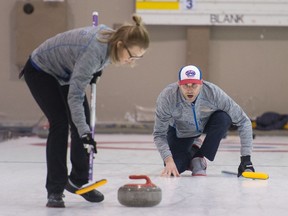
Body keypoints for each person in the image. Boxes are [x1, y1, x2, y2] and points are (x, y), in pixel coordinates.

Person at [20, 14, 149, 208]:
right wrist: (84, 133)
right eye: (132, 56)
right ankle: (55, 190)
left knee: (82, 122)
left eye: (138, 58)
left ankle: (77, 181)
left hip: (65, 73)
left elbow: (89, 68)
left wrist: (97, 70)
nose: (132, 61)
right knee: (61, 123)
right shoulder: (94, 52)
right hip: (41, 70)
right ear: (121, 45)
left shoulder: (112, 44)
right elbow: (75, 96)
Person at [153, 65, 255, 178]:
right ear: (179, 84)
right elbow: (159, 134)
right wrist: (168, 161)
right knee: (176, 167)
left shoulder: (213, 93)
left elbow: (243, 121)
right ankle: (194, 149)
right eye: (185, 85)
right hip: (180, 131)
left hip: (205, 124)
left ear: (201, 83)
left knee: (224, 118)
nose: (190, 89)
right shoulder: (167, 97)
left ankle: (199, 155)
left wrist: (246, 160)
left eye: (194, 85)